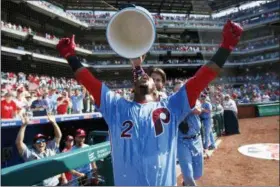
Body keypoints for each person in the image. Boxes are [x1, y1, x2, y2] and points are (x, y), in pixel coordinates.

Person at [56, 20, 243, 186]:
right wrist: (70, 56)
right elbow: (89, 81)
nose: (144, 79)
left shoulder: (172, 106)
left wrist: (226, 46)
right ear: (132, 88)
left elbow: (203, 77)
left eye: (151, 79)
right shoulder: (116, 107)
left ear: (157, 90)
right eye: (140, 78)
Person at [15, 113, 66, 186]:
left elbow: (58, 136)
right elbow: (18, 143)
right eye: (38, 141)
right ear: (34, 144)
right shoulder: (30, 154)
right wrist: (24, 125)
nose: (41, 143)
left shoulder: (50, 148)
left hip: (55, 184)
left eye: (43, 141)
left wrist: (54, 122)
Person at [174, 81, 204, 186]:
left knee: (198, 172)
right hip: (181, 141)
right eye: (177, 91)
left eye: (181, 89)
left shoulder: (194, 99)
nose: (180, 92)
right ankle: (189, 182)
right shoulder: (172, 104)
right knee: (187, 172)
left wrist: (184, 108)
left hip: (196, 139)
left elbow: (198, 110)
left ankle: (187, 183)